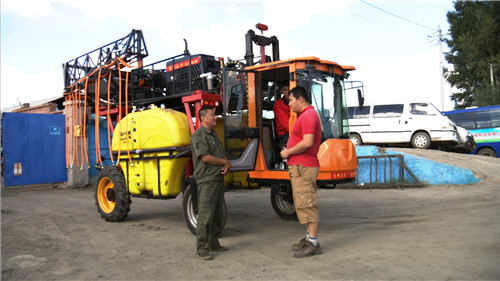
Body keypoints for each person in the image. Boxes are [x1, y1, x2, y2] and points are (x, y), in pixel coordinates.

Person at [280, 86, 322, 258]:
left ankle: (313, 242)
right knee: (303, 202)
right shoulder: (306, 116)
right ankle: (309, 238)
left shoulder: (309, 116)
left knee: (308, 203)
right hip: (300, 166)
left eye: (290, 100)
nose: (289, 104)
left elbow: (307, 142)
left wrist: (288, 152)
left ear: (300, 99)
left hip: (304, 166)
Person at [190, 107, 232, 260]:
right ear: (203, 118)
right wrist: (224, 162)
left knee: (217, 215)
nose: (215, 117)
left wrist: (226, 166)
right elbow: (206, 158)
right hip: (207, 180)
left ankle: (213, 243)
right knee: (206, 216)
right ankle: (202, 248)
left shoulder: (213, 134)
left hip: (217, 179)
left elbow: (221, 155)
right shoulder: (199, 136)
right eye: (212, 115)